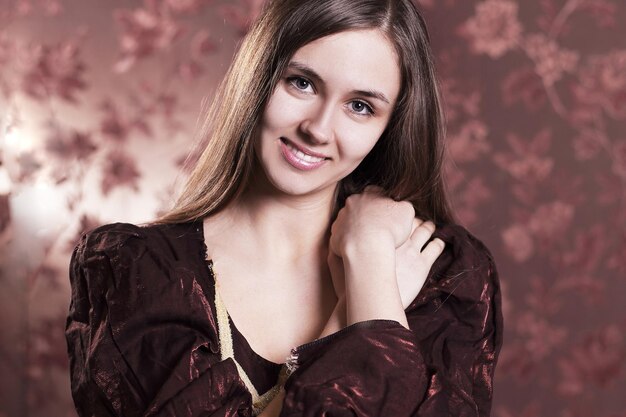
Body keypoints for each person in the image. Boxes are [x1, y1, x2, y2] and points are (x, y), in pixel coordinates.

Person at [65, 0, 503, 416]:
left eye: (360, 106)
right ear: (258, 75)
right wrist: (367, 282)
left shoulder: (444, 276)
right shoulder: (135, 271)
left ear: (390, 127)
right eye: (302, 82)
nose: (317, 128)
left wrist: (369, 251)